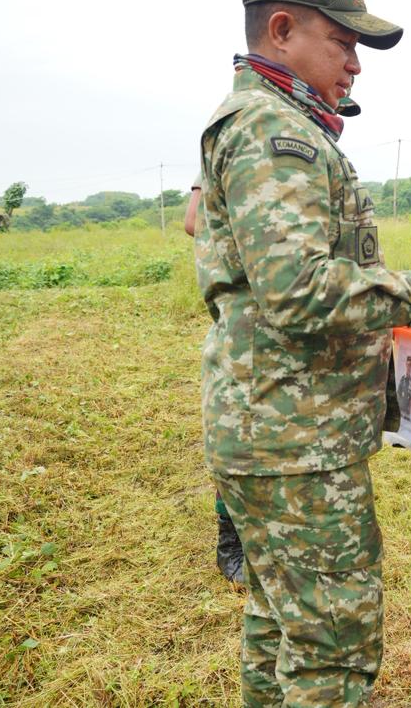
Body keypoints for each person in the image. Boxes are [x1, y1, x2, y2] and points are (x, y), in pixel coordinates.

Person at [195, 0, 411, 706]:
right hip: (295, 446)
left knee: (282, 623)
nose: (355, 65)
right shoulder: (275, 133)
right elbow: (298, 290)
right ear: (281, 30)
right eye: (343, 43)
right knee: (333, 649)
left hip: (272, 434)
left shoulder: (265, 124)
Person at [184, 175, 244, 584]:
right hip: (246, 317)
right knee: (236, 436)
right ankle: (231, 539)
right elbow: (194, 220)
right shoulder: (239, 144)